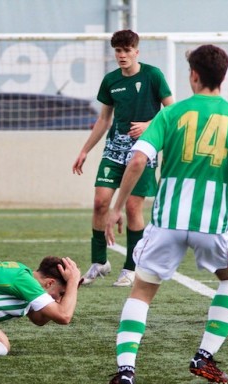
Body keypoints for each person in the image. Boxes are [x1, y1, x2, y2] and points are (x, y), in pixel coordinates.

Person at [104, 44, 228, 384]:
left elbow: (136, 161)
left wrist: (116, 207)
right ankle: (204, 356)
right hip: (213, 225)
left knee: (142, 290)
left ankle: (126, 370)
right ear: (222, 77)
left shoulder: (171, 114)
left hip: (166, 223)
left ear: (193, 75)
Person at [73, 29, 174, 287]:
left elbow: (172, 112)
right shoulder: (110, 81)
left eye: (127, 50)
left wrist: (149, 125)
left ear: (136, 52)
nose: (122, 55)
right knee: (99, 202)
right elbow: (104, 119)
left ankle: (131, 267)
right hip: (113, 151)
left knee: (132, 207)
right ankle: (99, 261)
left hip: (144, 150)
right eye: (118, 51)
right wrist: (85, 150)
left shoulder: (152, 75)